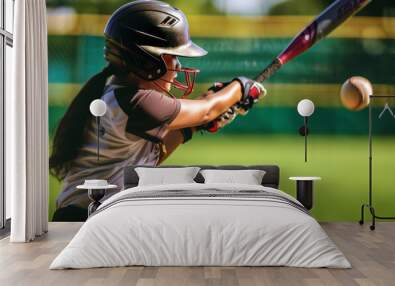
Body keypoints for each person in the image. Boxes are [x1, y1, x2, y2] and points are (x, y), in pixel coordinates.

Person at [50, 0, 266, 221]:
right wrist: (241, 87)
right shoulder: (137, 101)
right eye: (172, 55)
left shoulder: (116, 91)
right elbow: (207, 110)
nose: (178, 66)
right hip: (84, 218)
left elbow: (146, 161)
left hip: (89, 215)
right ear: (147, 59)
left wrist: (191, 129)